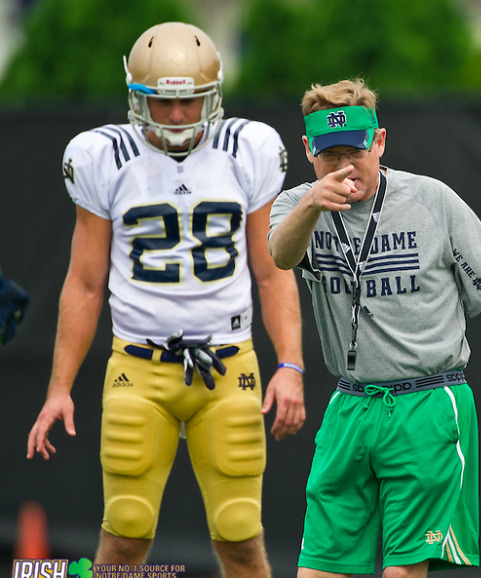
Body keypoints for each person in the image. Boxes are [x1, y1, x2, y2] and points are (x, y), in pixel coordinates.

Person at [27, 22, 305, 577]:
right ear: (136, 97)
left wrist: (291, 364)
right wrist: (59, 387)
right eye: (163, 102)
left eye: (190, 100)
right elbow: (83, 284)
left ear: (214, 95)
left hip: (228, 365)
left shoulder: (246, 149)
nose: (178, 116)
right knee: (125, 531)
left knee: (240, 534)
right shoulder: (102, 157)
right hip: (139, 366)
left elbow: (272, 271)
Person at [268, 78, 481, 578]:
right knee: (319, 569)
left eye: (354, 151)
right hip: (350, 406)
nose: (343, 167)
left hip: (428, 402)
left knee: (402, 572)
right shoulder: (296, 208)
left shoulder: (432, 200)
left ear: (379, 142)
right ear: (308, 150)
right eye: (329, 155)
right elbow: (280, 255)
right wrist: (313, 204)